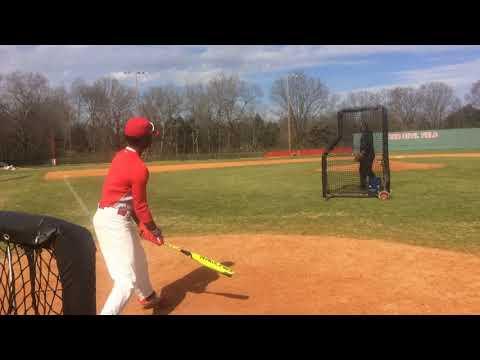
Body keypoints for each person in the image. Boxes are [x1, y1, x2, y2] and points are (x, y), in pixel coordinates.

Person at [92, 117, 166, 315]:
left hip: (116, 217)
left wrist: (141, 224)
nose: (152, 139)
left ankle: (147, 296)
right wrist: (153, 229)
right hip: (112, 222)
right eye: (150, 136)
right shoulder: (139, 168)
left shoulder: (121, 156)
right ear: (144, 140)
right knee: (125, 282)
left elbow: (127, 200)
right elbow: (140, 205)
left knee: (139, 258)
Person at [358, 119, 376, 190]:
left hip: (368, 155)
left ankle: (374, 184)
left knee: (367, 169)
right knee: (362, 169)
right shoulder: (364, 133)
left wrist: (362, 153)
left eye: (361, 126)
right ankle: (363, 185)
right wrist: (360, 153)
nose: (360, 127)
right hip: (365, 155)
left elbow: (367, 145)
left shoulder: (367, 133)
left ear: (364, 126)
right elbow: (363, 145)